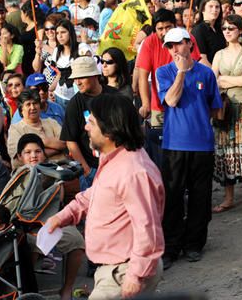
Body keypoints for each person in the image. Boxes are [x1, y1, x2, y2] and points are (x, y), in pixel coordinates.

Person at [47, 94, 165, 299]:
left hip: (123, 273)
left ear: (110, 130)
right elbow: (96, 194)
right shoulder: (114, 160)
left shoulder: (133, 171)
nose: (86, 128)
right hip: (115, 271)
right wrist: (63, 216)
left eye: (91, 122)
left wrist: (135, 276)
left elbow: (148, 230)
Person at [156, 28, 222, 268]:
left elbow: (215, 108)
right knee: (172, 197)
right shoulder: (163, 72)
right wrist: (182, 74)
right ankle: (170, 247)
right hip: (174, 145)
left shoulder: (206, 73)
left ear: (189, 44)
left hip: (202, 145)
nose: (173, 50)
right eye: (169, 46)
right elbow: (171, 100)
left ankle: (194, 244)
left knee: (200, 197)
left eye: (177, 44)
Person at [16, 133, 84, 300]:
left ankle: (66, 289)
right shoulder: (18, 176)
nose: (33, 156)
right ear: (19, 156)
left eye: (38, 151)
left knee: (77, 241)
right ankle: (31, 291)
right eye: (28, 152)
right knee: (28, 244)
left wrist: (54, 181)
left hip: (54, 221)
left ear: (44, 154)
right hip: (28, 226)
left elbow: (58, 202)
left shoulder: (54, 172)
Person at [211, 15, 242, 213]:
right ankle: (228, 198)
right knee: (226, 152)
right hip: (224, 107)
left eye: (231, 27)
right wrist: (232, 80)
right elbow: (214, 81)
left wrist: (224, 79)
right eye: (224, 28)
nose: (227, 30)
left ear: (240, 30)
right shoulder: (219, 54)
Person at [60, 57, 116, 190]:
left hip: (116, 165)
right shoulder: (75, 104)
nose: (77, 82)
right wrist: (86, 171)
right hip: (93, 169)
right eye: (75, 78)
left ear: (95, 75)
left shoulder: (114, 96)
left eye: (81, 77)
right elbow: (70, 141)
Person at [7, 89, 66, 166]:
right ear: (21, 110)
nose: (32, 107)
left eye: (35, 103)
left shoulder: (51, 122)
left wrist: (42, 141)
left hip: (62, 169)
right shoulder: (15, 129)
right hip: (32, 174)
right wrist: (56, 149)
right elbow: (21, 157)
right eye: (28, 104)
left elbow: (64, 143)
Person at [49, 19, 79, 108]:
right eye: (57, 33)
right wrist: (51, 89)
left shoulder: (81, 48)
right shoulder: (57, 51)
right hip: (59, 96)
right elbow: (59, 74)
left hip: (76, 97)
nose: (60, 36)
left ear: (70, 32)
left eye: (63, 32)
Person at [192, 0, 225, 66]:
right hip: (208, 73)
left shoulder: (220, 29)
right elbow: (201, 59)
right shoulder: (199, 30)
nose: (215, 10)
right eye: (211, 6)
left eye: (217, 7)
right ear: (203, 9)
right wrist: (216, 75)